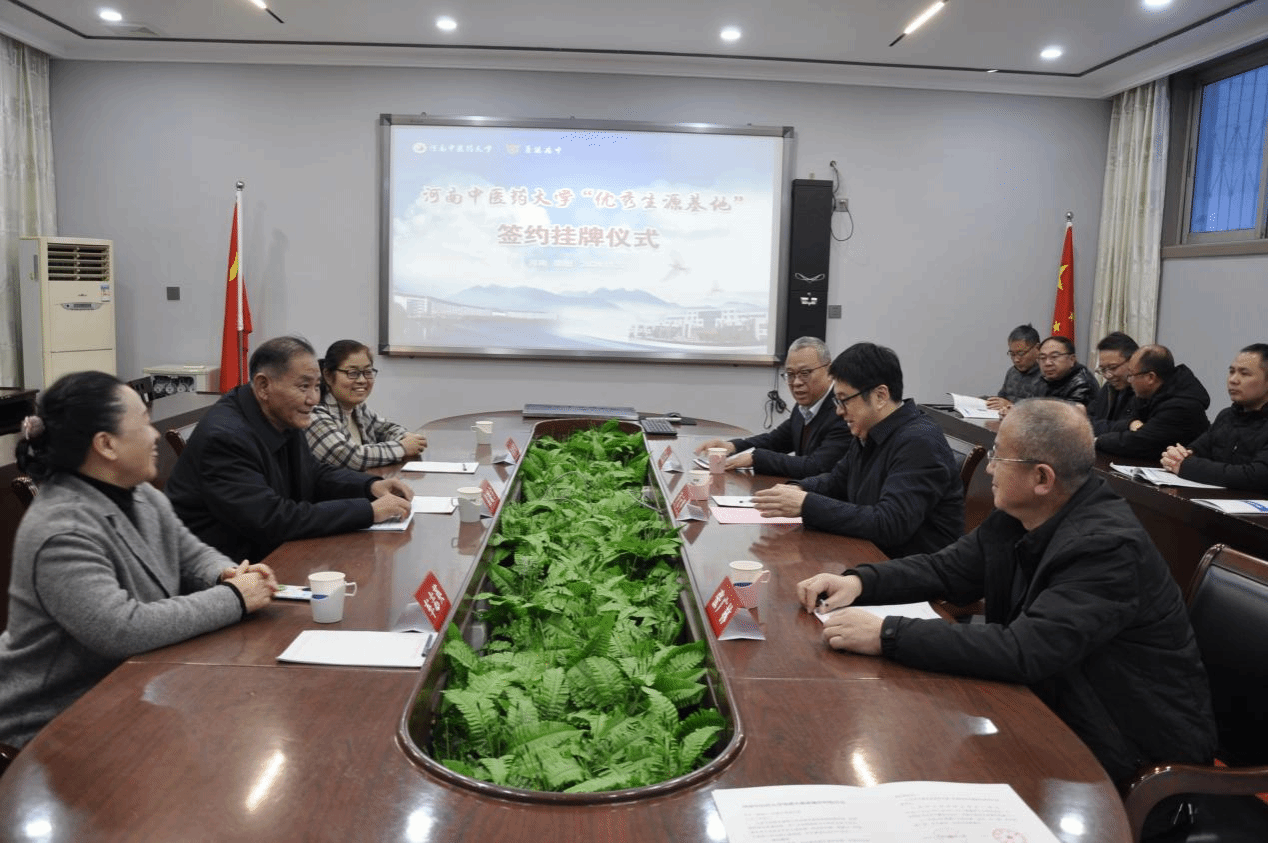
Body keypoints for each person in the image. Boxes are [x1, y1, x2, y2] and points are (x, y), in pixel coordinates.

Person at [796, 398, 1216, 787]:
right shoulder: (1018, 516)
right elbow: (944, 569)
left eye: (999, 456)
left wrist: (886, 634)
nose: (990, 468)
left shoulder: (1106, 548)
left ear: (1042, 477)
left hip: (1131, 757)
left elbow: (1024, 650)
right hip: (1053, 711)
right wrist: (860, 582)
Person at [0, 372, 278, 749]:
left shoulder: (139, 494)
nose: (154, 436)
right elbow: (120, 629)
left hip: (130, 691)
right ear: (106, 444)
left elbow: (192, 554)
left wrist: (224, 573)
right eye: (144, 424)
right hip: (53, 723)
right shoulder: (60, 528)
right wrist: (234, 597)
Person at [166, 336, 414, 563]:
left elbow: (313, 473)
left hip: (271, 551)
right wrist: (367, 512)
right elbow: (272, 519)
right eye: (303, 387)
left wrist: (369, 486)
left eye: (317, 386)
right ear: (263, 386)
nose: (313, 399)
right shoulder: (225, 438)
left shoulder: (282, 413)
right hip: (229, 568)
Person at [752, 342, 963, 557]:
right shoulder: (870, 430)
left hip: (909, 568)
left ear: (880, 396)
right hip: (870, 556)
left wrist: (806, 504)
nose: (838, 411)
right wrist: (798, 489)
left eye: (844, 400)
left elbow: (890, 524)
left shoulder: (919, 441)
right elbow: (836, 481)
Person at [695, 336, 850, 479]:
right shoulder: (804, 406)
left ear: (829, 371)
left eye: (805, 373)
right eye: (790, 374)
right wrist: (731, 446)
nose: (796, 383)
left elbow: (816, 467)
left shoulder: (843, 412)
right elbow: (775, 441)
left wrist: (756, 458)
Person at [307, 339, 427, 470]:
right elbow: (352, 457)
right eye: (352, 373)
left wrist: (406, 437)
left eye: (368, 372)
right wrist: (402, 447)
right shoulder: (314, 414)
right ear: (328, 376)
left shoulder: (357, 408)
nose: (362, 380)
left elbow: (386, 429)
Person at [1161, 343, 1268, 490]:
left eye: (1244, 374)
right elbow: (1196, 450)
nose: (1233, 380)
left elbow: (1256, 476)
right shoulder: (1227, 416)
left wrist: (1187, 466)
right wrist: (1176, 456)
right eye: (1232, 372)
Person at [1095, 344, 1210, 458]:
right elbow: (1125, 424)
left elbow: (1138, 442)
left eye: (1131, 375)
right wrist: (1129, 424)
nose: (1129, 381)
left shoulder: (1181, 407)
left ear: (1150, 377)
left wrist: (1097, 441)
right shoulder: (1146, 395)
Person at [984, 324, 1044, 414]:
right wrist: (986, 401)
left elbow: (1042, 412)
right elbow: (1001, 398)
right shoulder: (1012, 372)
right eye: (1012, 354)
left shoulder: (1047, 375)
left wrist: (1011, 406)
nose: (1016, 359)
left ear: (1037, 348)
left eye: (1021, 353)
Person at [1088, 331, 1139, 431]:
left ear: (1133, 360)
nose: (1108, 375)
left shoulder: (1144, 392)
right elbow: (1085, 422)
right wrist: (1124, 425)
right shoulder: (1108, 388)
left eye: (1113, 367)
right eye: (1103, 369)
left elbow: (1131, 432)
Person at [1036, 335, 1096, 406]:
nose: (1047, 363)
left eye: (1054, 357)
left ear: (1072, 359)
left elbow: (1068, 412)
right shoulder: (1044, 379)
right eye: (1042, 358)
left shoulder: (1082, 385)